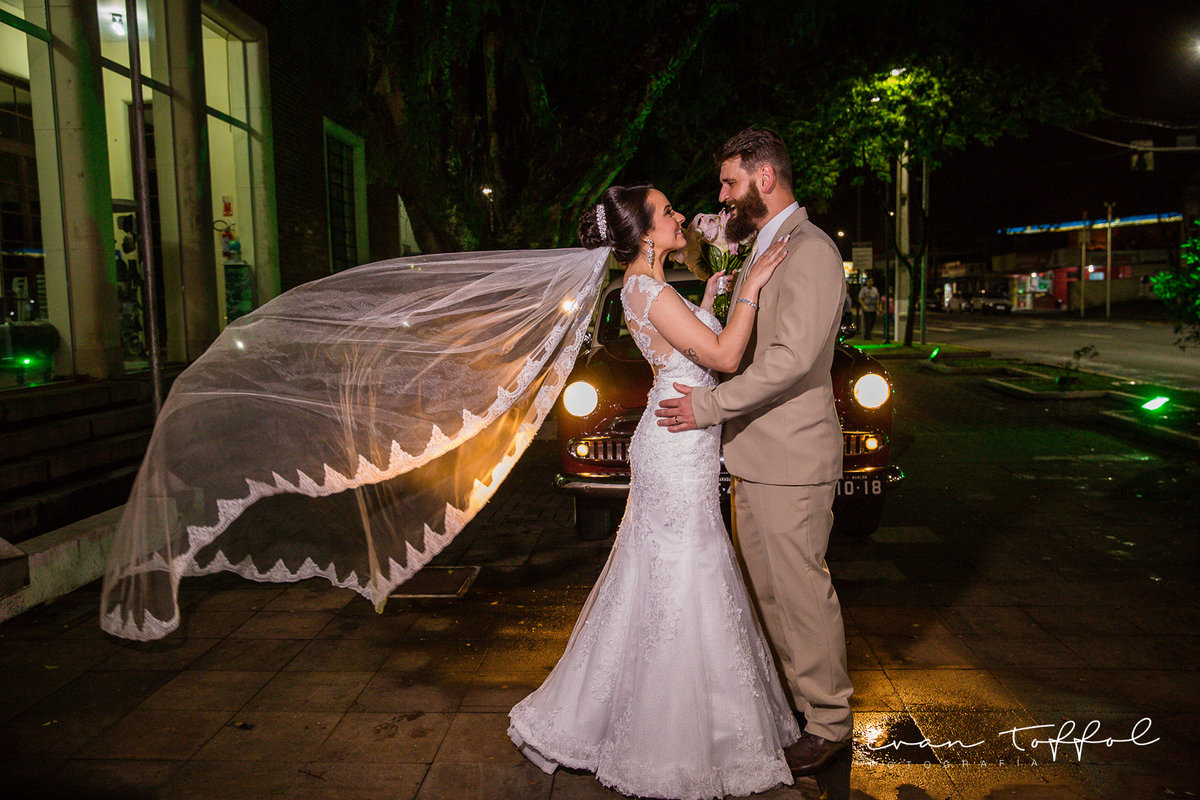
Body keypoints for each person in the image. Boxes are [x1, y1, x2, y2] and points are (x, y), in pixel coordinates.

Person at [508, 184, 800, 799]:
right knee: (685, 573)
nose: (679, 217)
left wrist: (715, 295)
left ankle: (679, 721)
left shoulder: (646, 289)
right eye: (667, 212)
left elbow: (687, 344)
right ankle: (672, 740)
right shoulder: (650, 290)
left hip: (678, 439)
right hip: (676, 446)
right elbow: (723, 356)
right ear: (644, 233)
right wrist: (751, 287)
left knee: (664, 573)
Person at [656, 127, 854, 777]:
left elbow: (791, 360)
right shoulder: (764, 245)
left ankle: (829, 723)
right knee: (770, 597)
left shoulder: (810, 250)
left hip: (793, 459)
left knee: (800, 597)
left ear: (765, 178)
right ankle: (802, 708)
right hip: (755, 456)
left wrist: (709, 407)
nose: (721, 196)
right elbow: (737, 320)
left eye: (730, 182)